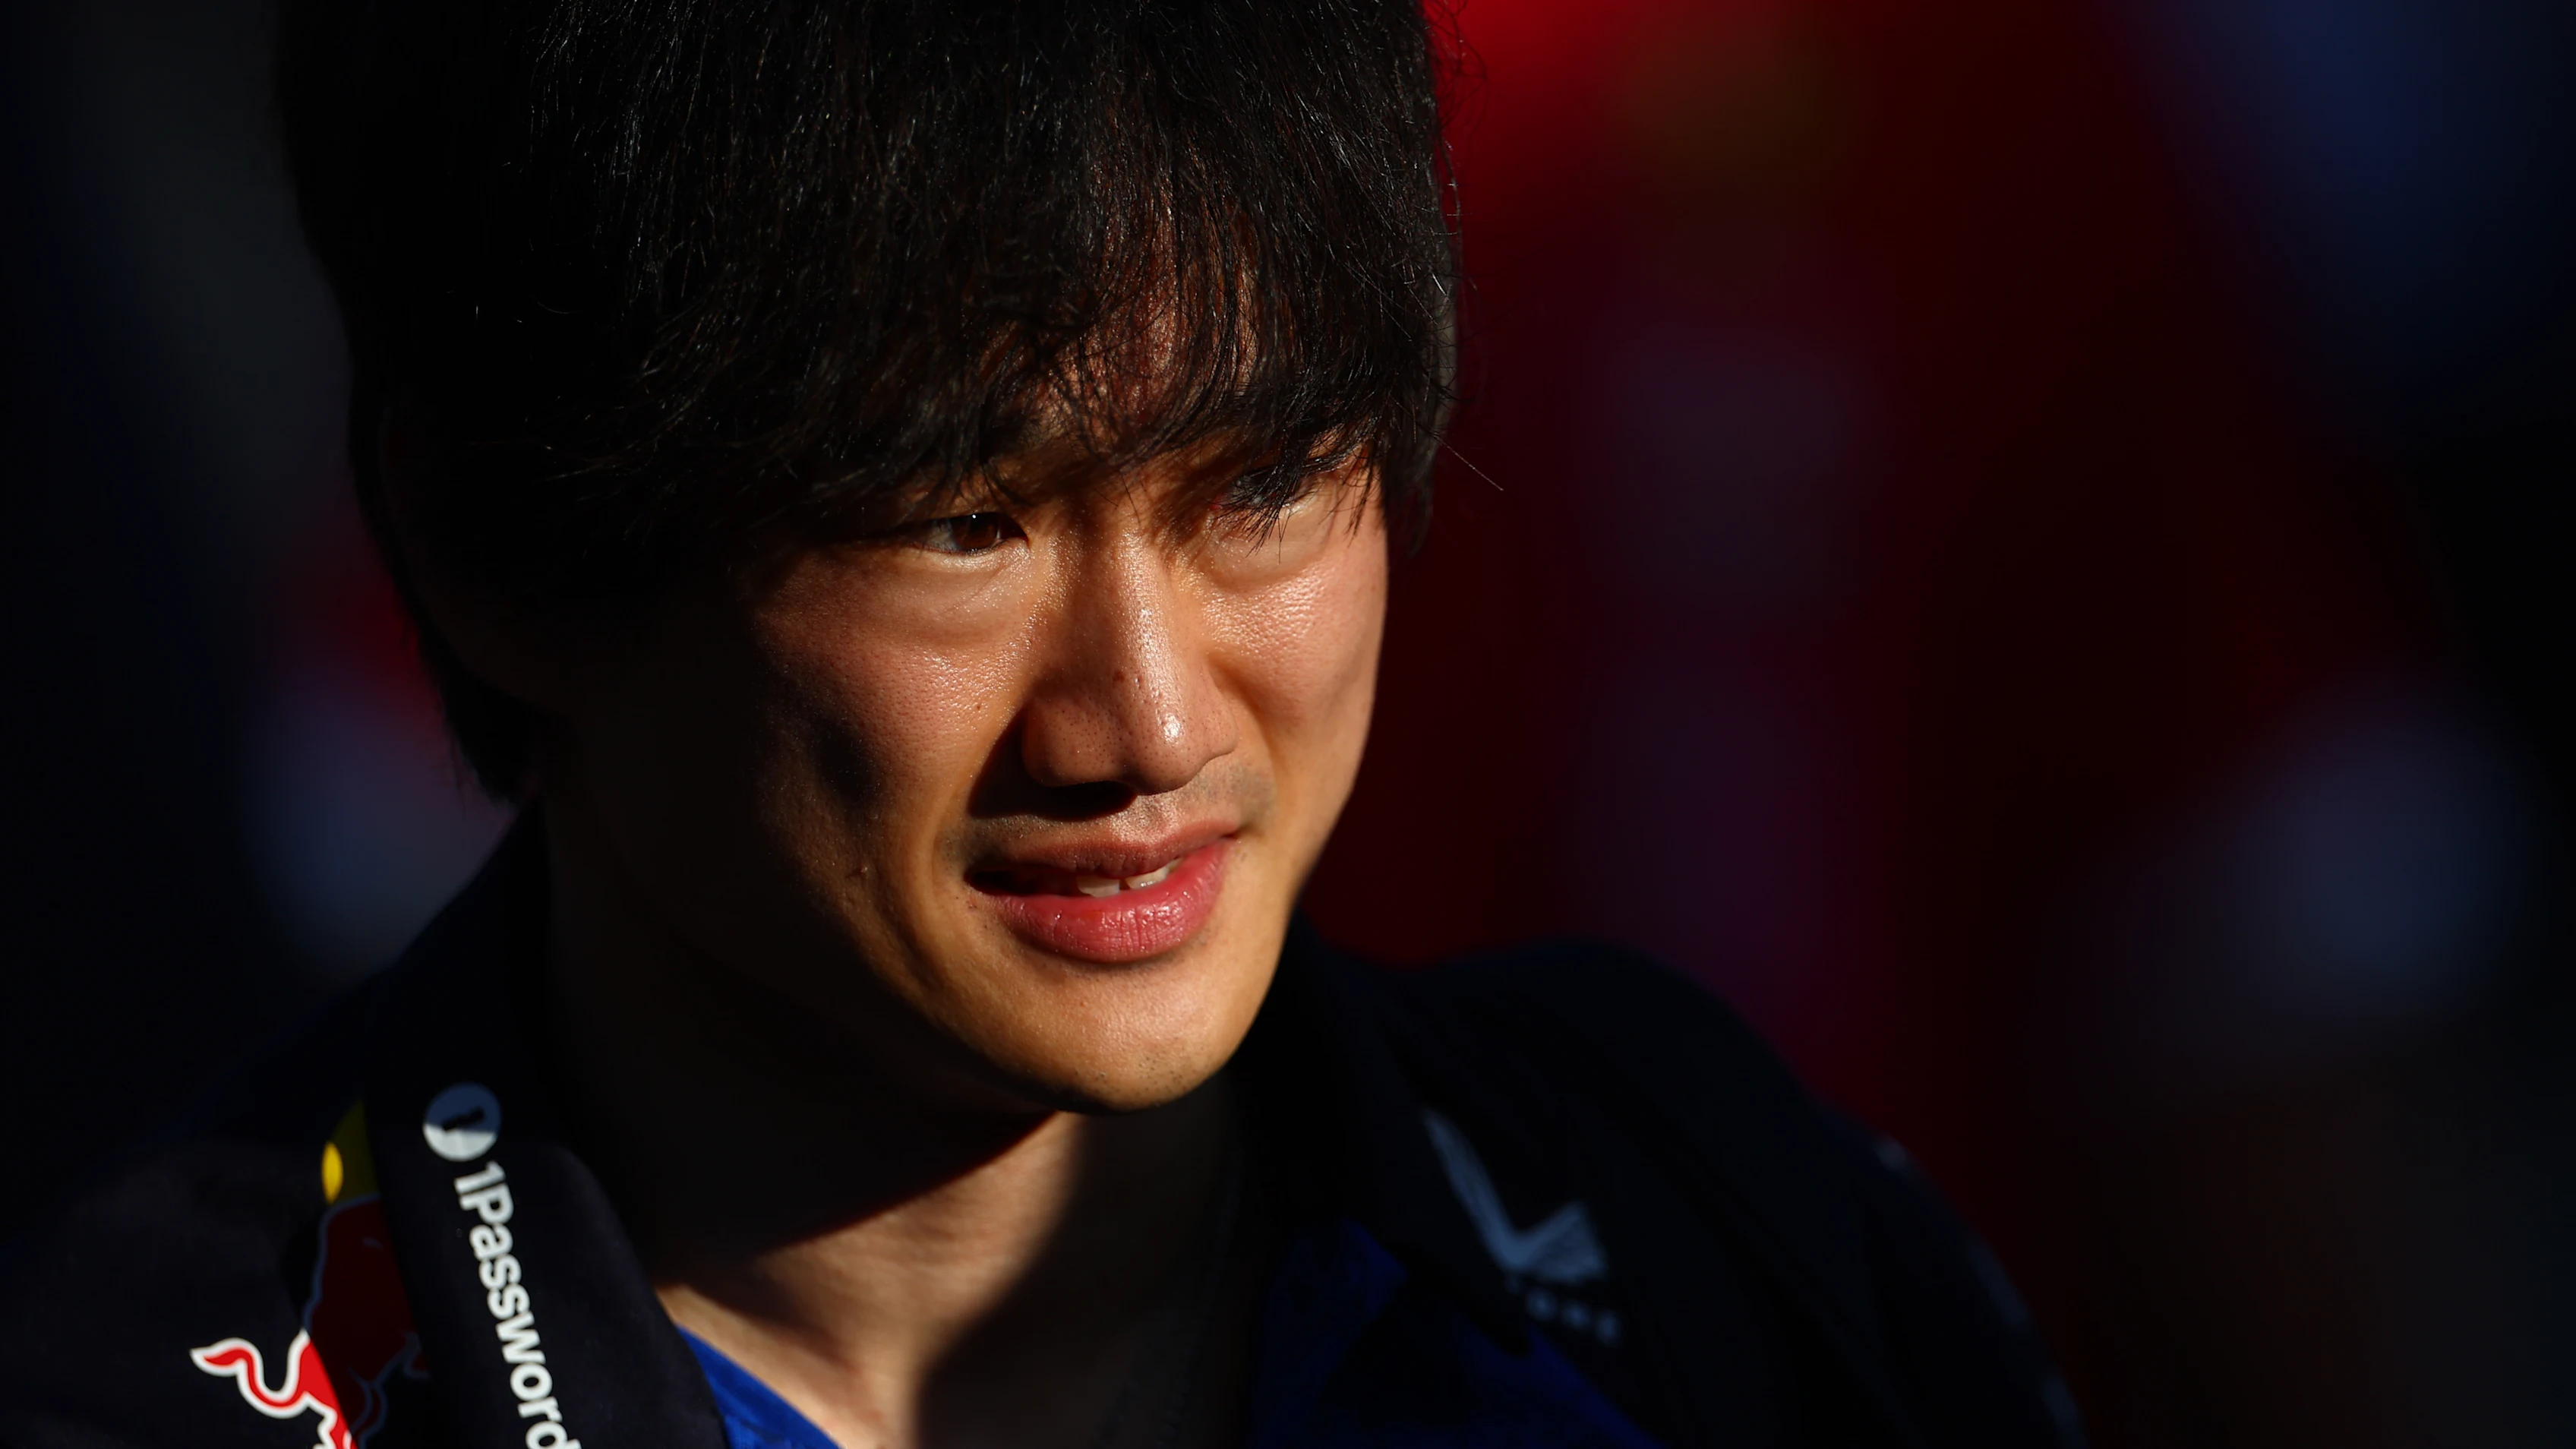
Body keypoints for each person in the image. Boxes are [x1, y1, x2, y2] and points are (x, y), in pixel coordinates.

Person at [0, 2, 2079, 1446]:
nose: (1149, 718)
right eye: (957, 520)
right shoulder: (157, 1386)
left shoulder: (1722, 1242)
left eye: (1257, 481)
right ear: (500, 554)